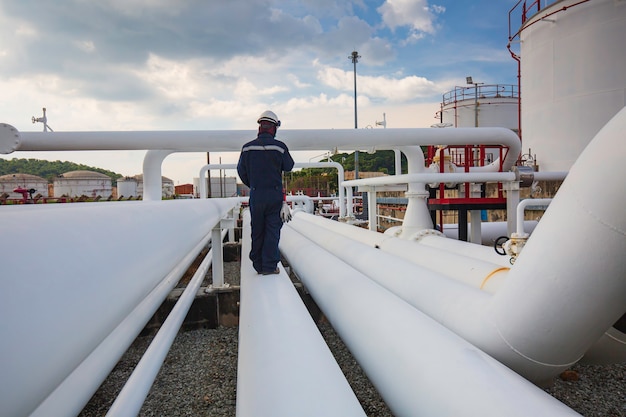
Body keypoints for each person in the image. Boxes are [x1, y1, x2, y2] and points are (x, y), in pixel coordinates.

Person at [237, 110, 294, 275]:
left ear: (260, 126)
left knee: (257, 229)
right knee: (272, 230)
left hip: (256, 194)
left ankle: (258, 264)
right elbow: (289, 166)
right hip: (274, 195)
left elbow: (241, 171)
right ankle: (269, 266)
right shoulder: (280, 147)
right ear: (274, 127)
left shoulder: (247, 148)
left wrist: (253, 184)